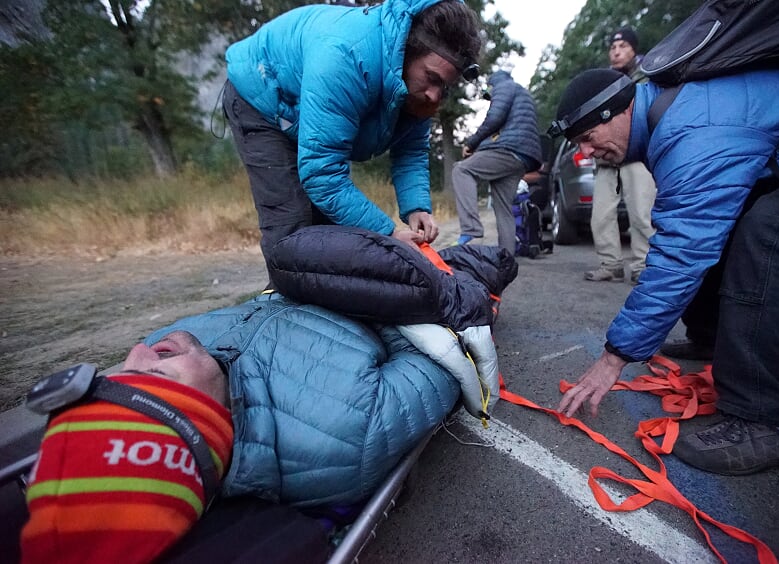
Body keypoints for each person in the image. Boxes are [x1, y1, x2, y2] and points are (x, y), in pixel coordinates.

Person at [19, 233, 517, 562]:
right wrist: (377, 298)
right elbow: (435, 363)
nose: (139, 352)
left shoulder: (174, 342)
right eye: (151, 379)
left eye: (124, 372)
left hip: (340, 266)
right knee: (482, 261)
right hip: (394, 297)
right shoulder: (338, 439)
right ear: (201, 426)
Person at [550, 66, 779, 476]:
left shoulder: (688, 132)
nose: (585, 152)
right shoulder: (669, 114)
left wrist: (615, 357)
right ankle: (711, 337)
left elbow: (682, 254)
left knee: (771, 236)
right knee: (726, 225)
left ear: (616, 112)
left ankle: (768, 422)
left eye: (586, 137)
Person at [223, 0, 482, 280]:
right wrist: (388, 234)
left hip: (308, 104)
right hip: (262, 93)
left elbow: (411, 150)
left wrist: (416, 206)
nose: (434, 95)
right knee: (293, 227)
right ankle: (286, 309)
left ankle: (330, 303)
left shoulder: (417, 86)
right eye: (431, 78)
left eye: (444, 85)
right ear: (405, 51)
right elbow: (322, 174)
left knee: (330, 227)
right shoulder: (346, 55)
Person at [585, 27, 656, 284]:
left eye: (623, 46)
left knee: (642, 213)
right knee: (601, 215)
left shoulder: (648, 76)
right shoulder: (603, 82)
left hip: (637, 154)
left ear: (634, 50)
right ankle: (610, 264)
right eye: (613, 48)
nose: (616, 51)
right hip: (606, 160)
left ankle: (642, 266)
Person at [452, 70, 543, 255]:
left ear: (491, 84)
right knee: (503, 208)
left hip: (510, 149)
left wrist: (471, 143)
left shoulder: (503, 87)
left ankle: (471, 229)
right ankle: (506, 259)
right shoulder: (520, 91)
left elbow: (495, 118)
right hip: (524, 157)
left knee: (461, 170)